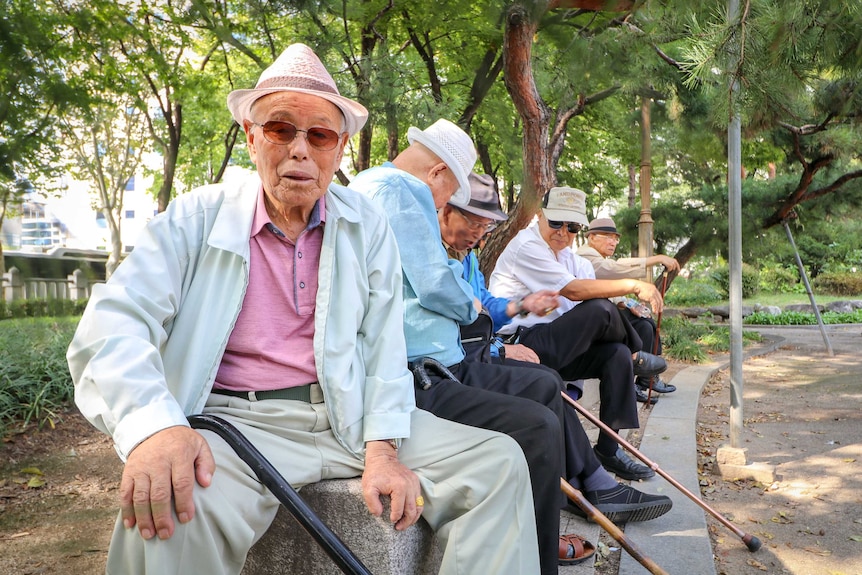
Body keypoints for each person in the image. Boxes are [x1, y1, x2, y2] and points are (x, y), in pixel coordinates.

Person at [66, 43, 541, 575]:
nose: (300, 150)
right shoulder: (196, 217)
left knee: (499, 464)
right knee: (169, 505)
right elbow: (112, 328)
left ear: (338, 149)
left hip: (350, 418)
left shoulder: (365, 223)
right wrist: (154, 428)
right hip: (237, 424)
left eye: (319, 135)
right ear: (251, 137)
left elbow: (384, 348)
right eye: (280, 129)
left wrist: (383, 450)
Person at [350, 121, 599, 571]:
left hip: (444, 361)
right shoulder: (399, 190)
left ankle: (547, 519)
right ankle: (543, 555)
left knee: (544, 387)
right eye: (450, 196)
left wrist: (492, 307)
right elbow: (433, 285)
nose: (444, 205)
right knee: (539, 422)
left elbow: (458, 292)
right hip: (418, 371)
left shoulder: (389, 189)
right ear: (438, 172)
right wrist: (474, 308)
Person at [439, 172, 673, 524]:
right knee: (565, 358)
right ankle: (590, 486)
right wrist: (502, 347)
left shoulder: (469, 257)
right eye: (472, 222)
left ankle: (604, 459)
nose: (564, 233)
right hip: (507, 347)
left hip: (511, 344)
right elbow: (461, 322)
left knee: (615, 353)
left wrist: (522, 305)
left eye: (484, 225)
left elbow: (486, 304)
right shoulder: (520, 246)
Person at [489, 186, 668, 481]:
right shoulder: (527, 246)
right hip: (519, 345)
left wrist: (625, 301)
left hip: (555, 344)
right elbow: (574, 291)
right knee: (599, 310)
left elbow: (588, 297)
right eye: (556, 222)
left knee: (616, 355)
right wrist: (633, 285)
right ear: (539, 216)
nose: (562, 232)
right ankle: (637, 353)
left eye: (571, 226)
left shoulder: (572, 259)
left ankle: (609, 450)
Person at [577, 217, 680, 401]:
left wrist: (629, 304)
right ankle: (632, 383)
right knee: (636, 326)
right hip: (591, 319)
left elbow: (609, 285)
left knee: (644, 324)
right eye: (608, 237)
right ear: (591, 237)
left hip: (605, 312)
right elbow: (611, 270)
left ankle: (646, 379)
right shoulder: (584, 256)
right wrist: (654, 260)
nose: (613, 242)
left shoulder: (599, 257)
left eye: (616, 238)